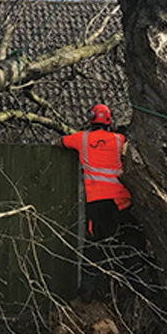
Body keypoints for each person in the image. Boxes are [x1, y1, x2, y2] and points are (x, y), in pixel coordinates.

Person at [60, 103, 134, 303]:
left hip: (96, 202)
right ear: (109, 121)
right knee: (123, 245)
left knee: (93, 247)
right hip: (121, 202)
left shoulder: (82, 139)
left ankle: (87, 294)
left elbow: (60, 142)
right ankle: (124, 293)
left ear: (91, 119)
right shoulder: (120, 140)